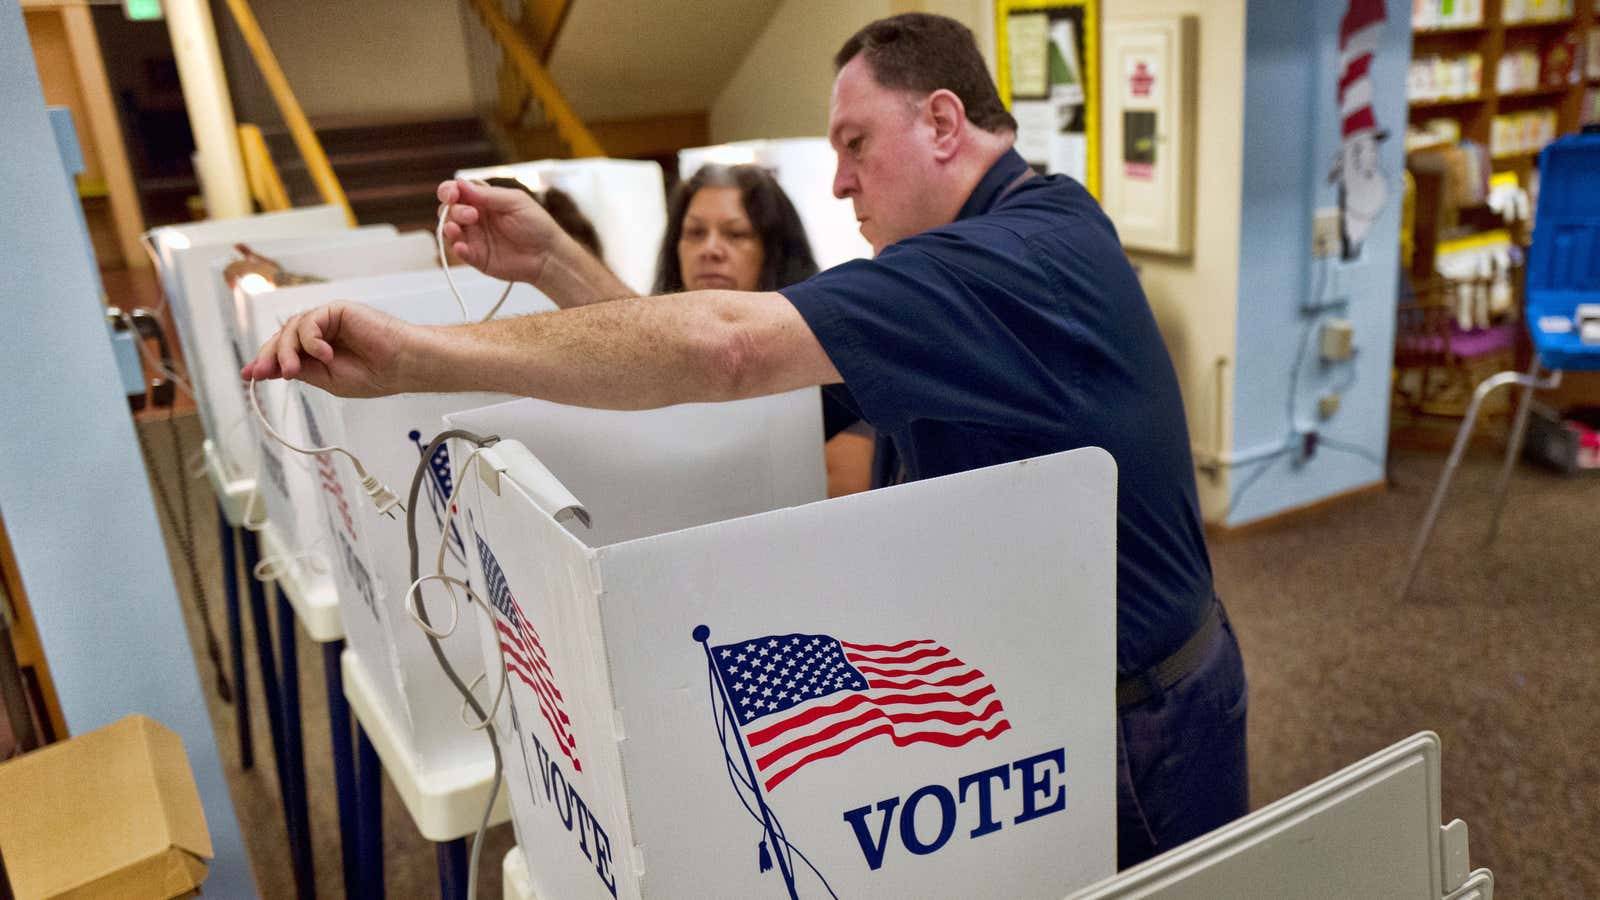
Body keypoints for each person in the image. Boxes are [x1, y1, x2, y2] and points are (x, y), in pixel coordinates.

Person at [244, 13, 1246, 867]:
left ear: (943, 122)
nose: (842, 184)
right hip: (1068, 681)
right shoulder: (991, 251)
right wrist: (552, 256)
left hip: (1136, 717)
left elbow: (723, 352)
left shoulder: (1012, 257)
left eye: (855, 144)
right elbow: (711, 379)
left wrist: (418, 358)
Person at [656, 162, 873, 496]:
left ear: (774, 250)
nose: (710, 250)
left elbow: (843, 492)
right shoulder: (658, 354)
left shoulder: (824, 352)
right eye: (696, 233)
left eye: (736, 234)